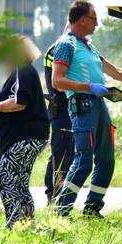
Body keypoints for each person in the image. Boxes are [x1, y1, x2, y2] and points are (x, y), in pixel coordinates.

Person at [51, 0, 122, 217]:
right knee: (84, 159)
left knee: (106, 160)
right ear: (83, 20)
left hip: (99, 104)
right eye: (94, 19)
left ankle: (92, 209)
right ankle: (61, 211)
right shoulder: (66, 44)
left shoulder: (89, 46)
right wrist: (89, 87)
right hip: (83, 106)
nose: (97, 24)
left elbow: (117, 73)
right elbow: (57, 80)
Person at [0, 36, 49, 228]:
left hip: (24, 137)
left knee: (7, 177)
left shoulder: (22, 71)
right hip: (31, 137)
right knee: (19, 182)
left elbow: (20, 102)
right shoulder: (25, 71)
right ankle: (27, 224)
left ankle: (14, 224)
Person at [43, 37, 74, 203]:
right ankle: (53, 194)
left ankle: (62, 194)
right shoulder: (59, 48)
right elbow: (58, 84)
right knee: (60, 153)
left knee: (70, 153)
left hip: (69, 110)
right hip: (61, 109)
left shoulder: (71, 47)